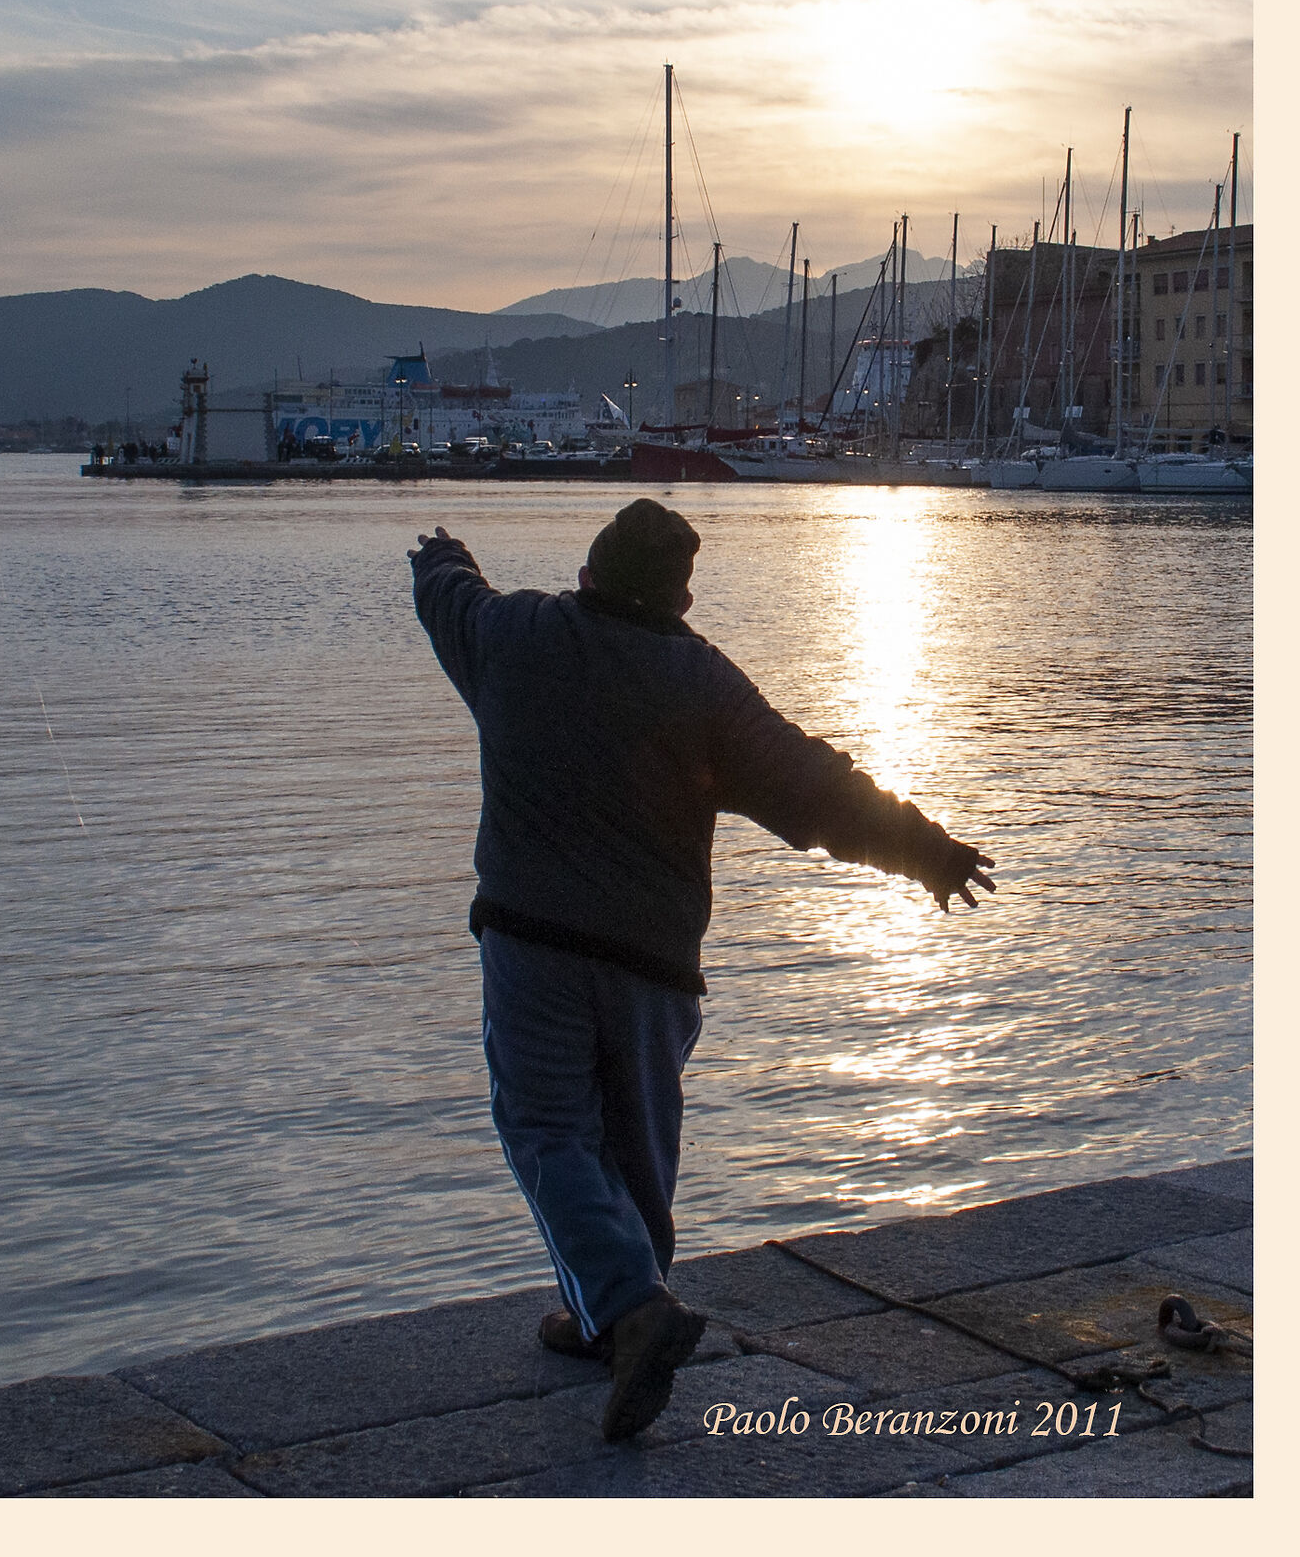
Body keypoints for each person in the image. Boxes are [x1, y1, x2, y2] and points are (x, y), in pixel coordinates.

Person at [408, 498, 993, 1442]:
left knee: (549, 1130)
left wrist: (442, 558)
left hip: (534, 946)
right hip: (651, 964)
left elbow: (452, 600)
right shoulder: (705, 685)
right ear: (681, 597)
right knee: (637, 1146)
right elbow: (818, 789)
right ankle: (621, 1317)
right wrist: (927, 851)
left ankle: (628, 1309)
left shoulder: (515, 637)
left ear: (589, 572)